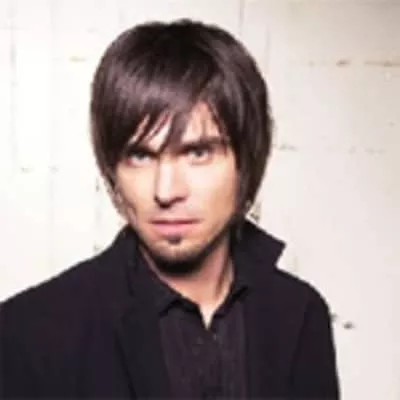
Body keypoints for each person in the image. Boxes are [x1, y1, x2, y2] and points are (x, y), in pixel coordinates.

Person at [0, 19, 339, 399]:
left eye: (198, 152)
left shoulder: (299, 315)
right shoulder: (28, 333)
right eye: (140, 156)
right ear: (112, 170)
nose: (166, 191)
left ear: (246, 160)